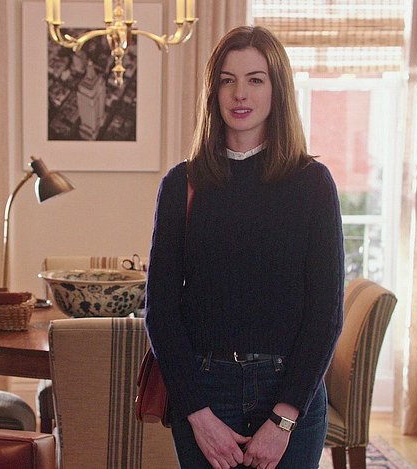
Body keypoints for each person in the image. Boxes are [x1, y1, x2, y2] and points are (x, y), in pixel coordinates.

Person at [145, 25, 344, 469]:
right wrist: (198, 416)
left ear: (278, 90)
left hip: (290, 392)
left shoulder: (312, 184)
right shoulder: (182, 184)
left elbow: (326, 314)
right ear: (213, 92)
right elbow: (160, 311)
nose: (240, 94)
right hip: (204, 393)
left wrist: (284, 420)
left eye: (255, 79)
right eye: (227, 80)